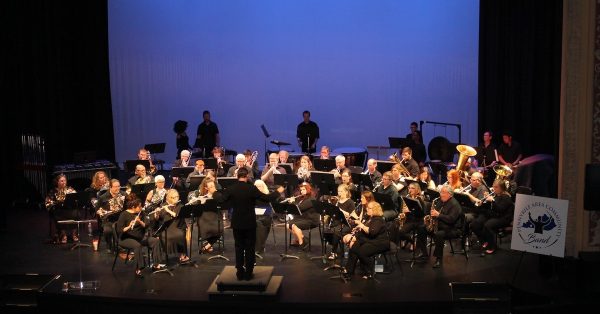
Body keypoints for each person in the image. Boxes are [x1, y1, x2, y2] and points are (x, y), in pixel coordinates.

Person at [213, 168, 283, 281]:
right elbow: (267, 198)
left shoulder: (231, 189)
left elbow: (220, 200)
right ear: (247, 176)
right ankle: (249, 273)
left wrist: (214, 192)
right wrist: (278, 191)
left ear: (237, 176)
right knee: (250, 248)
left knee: (239, 247)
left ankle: (239, 273)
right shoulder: (251, 188)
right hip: (249, 223)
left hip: (237, 223)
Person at [341, 201, 390, 280]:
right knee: (354, 247)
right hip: (370, 240)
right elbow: (365, 230)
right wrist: (358, 228)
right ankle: (349, 271)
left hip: (380, 242)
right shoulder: (370, 218)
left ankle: (370, 270)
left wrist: (361, 226)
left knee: (362, 252)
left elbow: (372, 232)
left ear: (375, 210)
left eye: (369, 208)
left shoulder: (378, 219)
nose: (367, 209)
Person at [116, 194, 163, 277]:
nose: (141, 208)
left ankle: (156, 265)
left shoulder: (141, 213)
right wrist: (129, 226)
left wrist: (140, 221)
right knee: (137, 246)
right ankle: (138, 269)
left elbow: (147, 225)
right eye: (139, 207)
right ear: (133, 207)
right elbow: (120, 230)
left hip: (139, 238)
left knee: (155, 241)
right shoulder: (124, 214)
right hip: (126, 238)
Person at [471, 179, 514, 255]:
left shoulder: (506, 197)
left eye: (496, 187)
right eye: (494, 187)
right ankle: (484, 241)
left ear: (502, 188)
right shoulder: (496, 195)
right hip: (494, 214)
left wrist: (492, 201)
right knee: (475, 224)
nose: (494, 189)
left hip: (503, 217)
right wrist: (483, 203)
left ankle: (492, 246)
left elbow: (500, 210)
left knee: (488, 225)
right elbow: (489, 207)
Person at [150, 189, 189, 264]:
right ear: (169, 198)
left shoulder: (180, 206)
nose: (177, 199)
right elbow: (158, 219)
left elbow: (176, 216)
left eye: (177, 197)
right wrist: (157, 214)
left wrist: (168, 210)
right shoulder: (163, 205)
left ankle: (182, 254)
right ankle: (161, 257)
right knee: (165, 235)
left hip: (178, 226)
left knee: (180, 234)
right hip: (166, 227)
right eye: (174, 197)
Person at [430, 185, 462, 268]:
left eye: (443, 192)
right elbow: (436, 212)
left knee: (439, 234)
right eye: (441, 192)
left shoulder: (455, 204)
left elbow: (451, 219)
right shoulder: (441, 201)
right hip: (443, 225)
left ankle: (438, 259)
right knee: (422, 228)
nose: (441, 194)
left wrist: (438, 215)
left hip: (453, 228)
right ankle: (423, 252)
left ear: (450, 194)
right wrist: (433, 215)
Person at [188, 177, 221, 254]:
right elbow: (196, 209)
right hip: (204, 217)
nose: (213, 188)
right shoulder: (201, 195)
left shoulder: (218, 195)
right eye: (211, 187)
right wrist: (198, 202)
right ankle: (208, 243)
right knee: (204, 224)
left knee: (219, 228)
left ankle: (207, 245)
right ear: (206, 188)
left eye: (213, 186)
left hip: (215, 217)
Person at [45, 174, 77, 244]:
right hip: (59, 210)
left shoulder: (70, 189)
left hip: (69, 210)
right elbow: (48, 202)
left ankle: (74, 234)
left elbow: (76, 198)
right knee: (58, 215)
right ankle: (63, 235)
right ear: (57, 182)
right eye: (61, 181)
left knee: (77, 213)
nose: (64, 182)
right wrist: (57, 202)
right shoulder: (53, 191)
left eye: (65, 181)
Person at [95, 179, 125, 252]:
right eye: (115, 187)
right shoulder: (103, 197)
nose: (117, 188)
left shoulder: (123, 194)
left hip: (121, 218)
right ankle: (109, 245)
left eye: (118, 186)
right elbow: (97, 209)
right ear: (110, 187)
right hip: (108, 220)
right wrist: (103, 213)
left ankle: (121, 244)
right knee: (107, 231)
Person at [286, 182, 318, 250]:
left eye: (304, 189)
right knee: (288, 225)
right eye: (301, 190)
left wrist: (292, 202)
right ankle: (302, 239)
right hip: (302, 218)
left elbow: (299, 208)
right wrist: (291, 203)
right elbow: (295, 209)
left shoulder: (311, 199)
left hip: (310, 220)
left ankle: (301, 243)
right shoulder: (301, 198)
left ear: (308, 189)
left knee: (294, 225)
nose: (302, 191)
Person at [327, 184, 355, 260]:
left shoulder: (350, 202)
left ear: (346, 192)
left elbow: (350, 215)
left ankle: (334, 252)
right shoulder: (337, 201)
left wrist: (339, 210)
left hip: (346, 224)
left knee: (336, 231)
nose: (339, 193)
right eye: (338, 191)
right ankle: (335, 248)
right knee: (328, 231)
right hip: (337, 222)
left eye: (341, 191)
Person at [254, 180, 275, 257]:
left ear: (263, 187)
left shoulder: (267, 196)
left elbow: (270, 210)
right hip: (255, 216)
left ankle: (258, 248)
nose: (258, 188)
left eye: (260, 186)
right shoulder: (252, 196)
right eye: (256, 186)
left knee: (258, 223)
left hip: (265, 217)